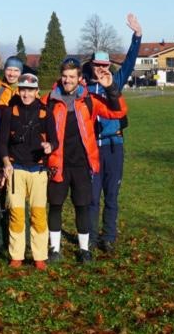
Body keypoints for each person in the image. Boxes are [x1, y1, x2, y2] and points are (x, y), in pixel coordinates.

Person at [44, 57, 127, 264]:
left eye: (72, 76)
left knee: (82, 206)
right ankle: (54, 249)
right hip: (58, 163)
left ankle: (84, 249)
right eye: (65, 76)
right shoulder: (49, 100)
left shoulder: (89, 100)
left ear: (80, 78)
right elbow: (38, 125)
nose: (67, 80)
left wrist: (111, 88)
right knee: (55, 205)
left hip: (82, 164)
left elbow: (117, 111)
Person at [85, 13, 142, 253]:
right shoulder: (83, 86)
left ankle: (108, 236)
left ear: (109, 66)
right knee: (92, 196)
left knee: (111, 194)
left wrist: (137, 36)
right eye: (97, 65)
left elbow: (130, 61)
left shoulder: (116, 79)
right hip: (91, 147)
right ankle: (88, 238)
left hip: (113, 145)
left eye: (105, 65)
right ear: (91, 65)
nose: (101, 69)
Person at [0, 73, 56, 270]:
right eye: (23, 89)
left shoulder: (46, 112)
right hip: (16, 170)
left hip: (38, 170)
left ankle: (39, 256)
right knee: (16, 214)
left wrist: (49, 147)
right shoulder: (9, 112)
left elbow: (55, 140)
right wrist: (6, 163)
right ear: (18, 90)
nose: (26, 94)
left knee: (38, 214)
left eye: (30, 90)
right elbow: (2, 143)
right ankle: (16, 255)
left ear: (37, 91)